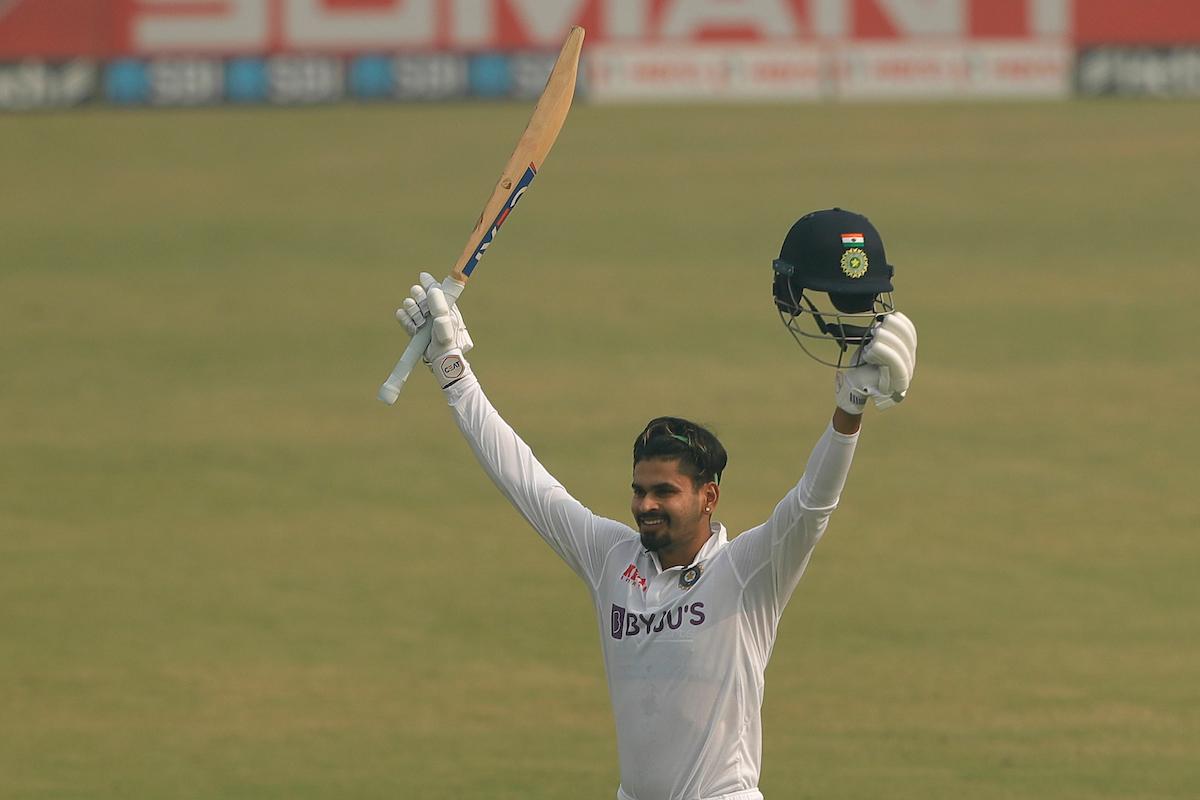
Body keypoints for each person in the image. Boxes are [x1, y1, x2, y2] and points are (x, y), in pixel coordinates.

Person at [396, 208, 918, 800]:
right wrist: (451, 367)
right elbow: (524, 480)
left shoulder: (747, 572)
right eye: (641, 490)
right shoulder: (609, 558)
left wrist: (849, 410)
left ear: (709, 497)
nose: (646, 504)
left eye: (665, 492)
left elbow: (811, 507)